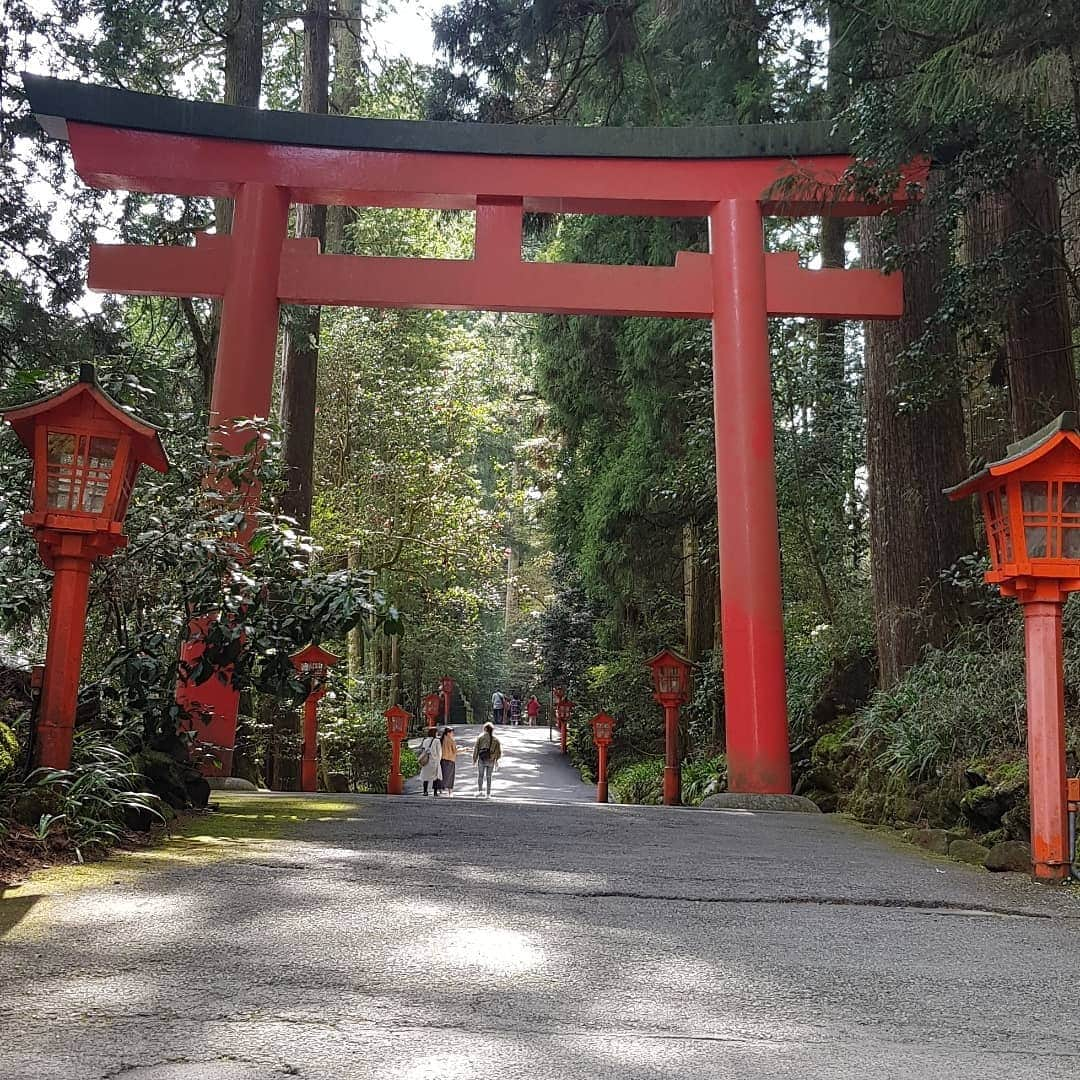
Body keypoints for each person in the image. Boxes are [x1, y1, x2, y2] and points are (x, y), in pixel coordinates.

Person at [472, 722, 502, 798]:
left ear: (485, 729)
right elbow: (498, 751)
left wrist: (474, 759)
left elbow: (476, 748)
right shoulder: (495, 739)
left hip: (482, 759)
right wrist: (496, 760)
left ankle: (480, 791)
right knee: (489, 777)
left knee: (480, 776)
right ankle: (488, 793)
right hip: (491, 760)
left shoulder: (480, 737)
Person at [417, 726, 442, 796]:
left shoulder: (425, 740)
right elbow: (439, 752)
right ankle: (435, 792)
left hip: (426, 761)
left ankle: (425, 791)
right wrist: (439, 759)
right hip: (434, 761)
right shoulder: (437, 741)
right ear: (434, 733)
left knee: (426, 777)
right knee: (435, 777)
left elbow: (423, 750)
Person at [439, 726, 458, 797]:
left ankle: (440, 789)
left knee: (442, 775)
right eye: (452, 732)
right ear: (448, 733)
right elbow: (455, 751)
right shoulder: (451, 740)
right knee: (450, 776)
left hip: (442, 759)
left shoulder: (441, 739)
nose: (453, 734)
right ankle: (450, 792)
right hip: (450, 760)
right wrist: (464, 750)